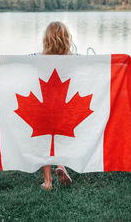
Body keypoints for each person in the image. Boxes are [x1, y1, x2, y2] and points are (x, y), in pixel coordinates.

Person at [39, 21, 76, 190]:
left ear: (47, 40)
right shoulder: (71, 60)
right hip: (64, 109)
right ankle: (60, 165)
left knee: (46, 142)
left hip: (45, 109)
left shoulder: (40, 60)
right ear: (66, 39)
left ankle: (47, 182)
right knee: (60, 139)